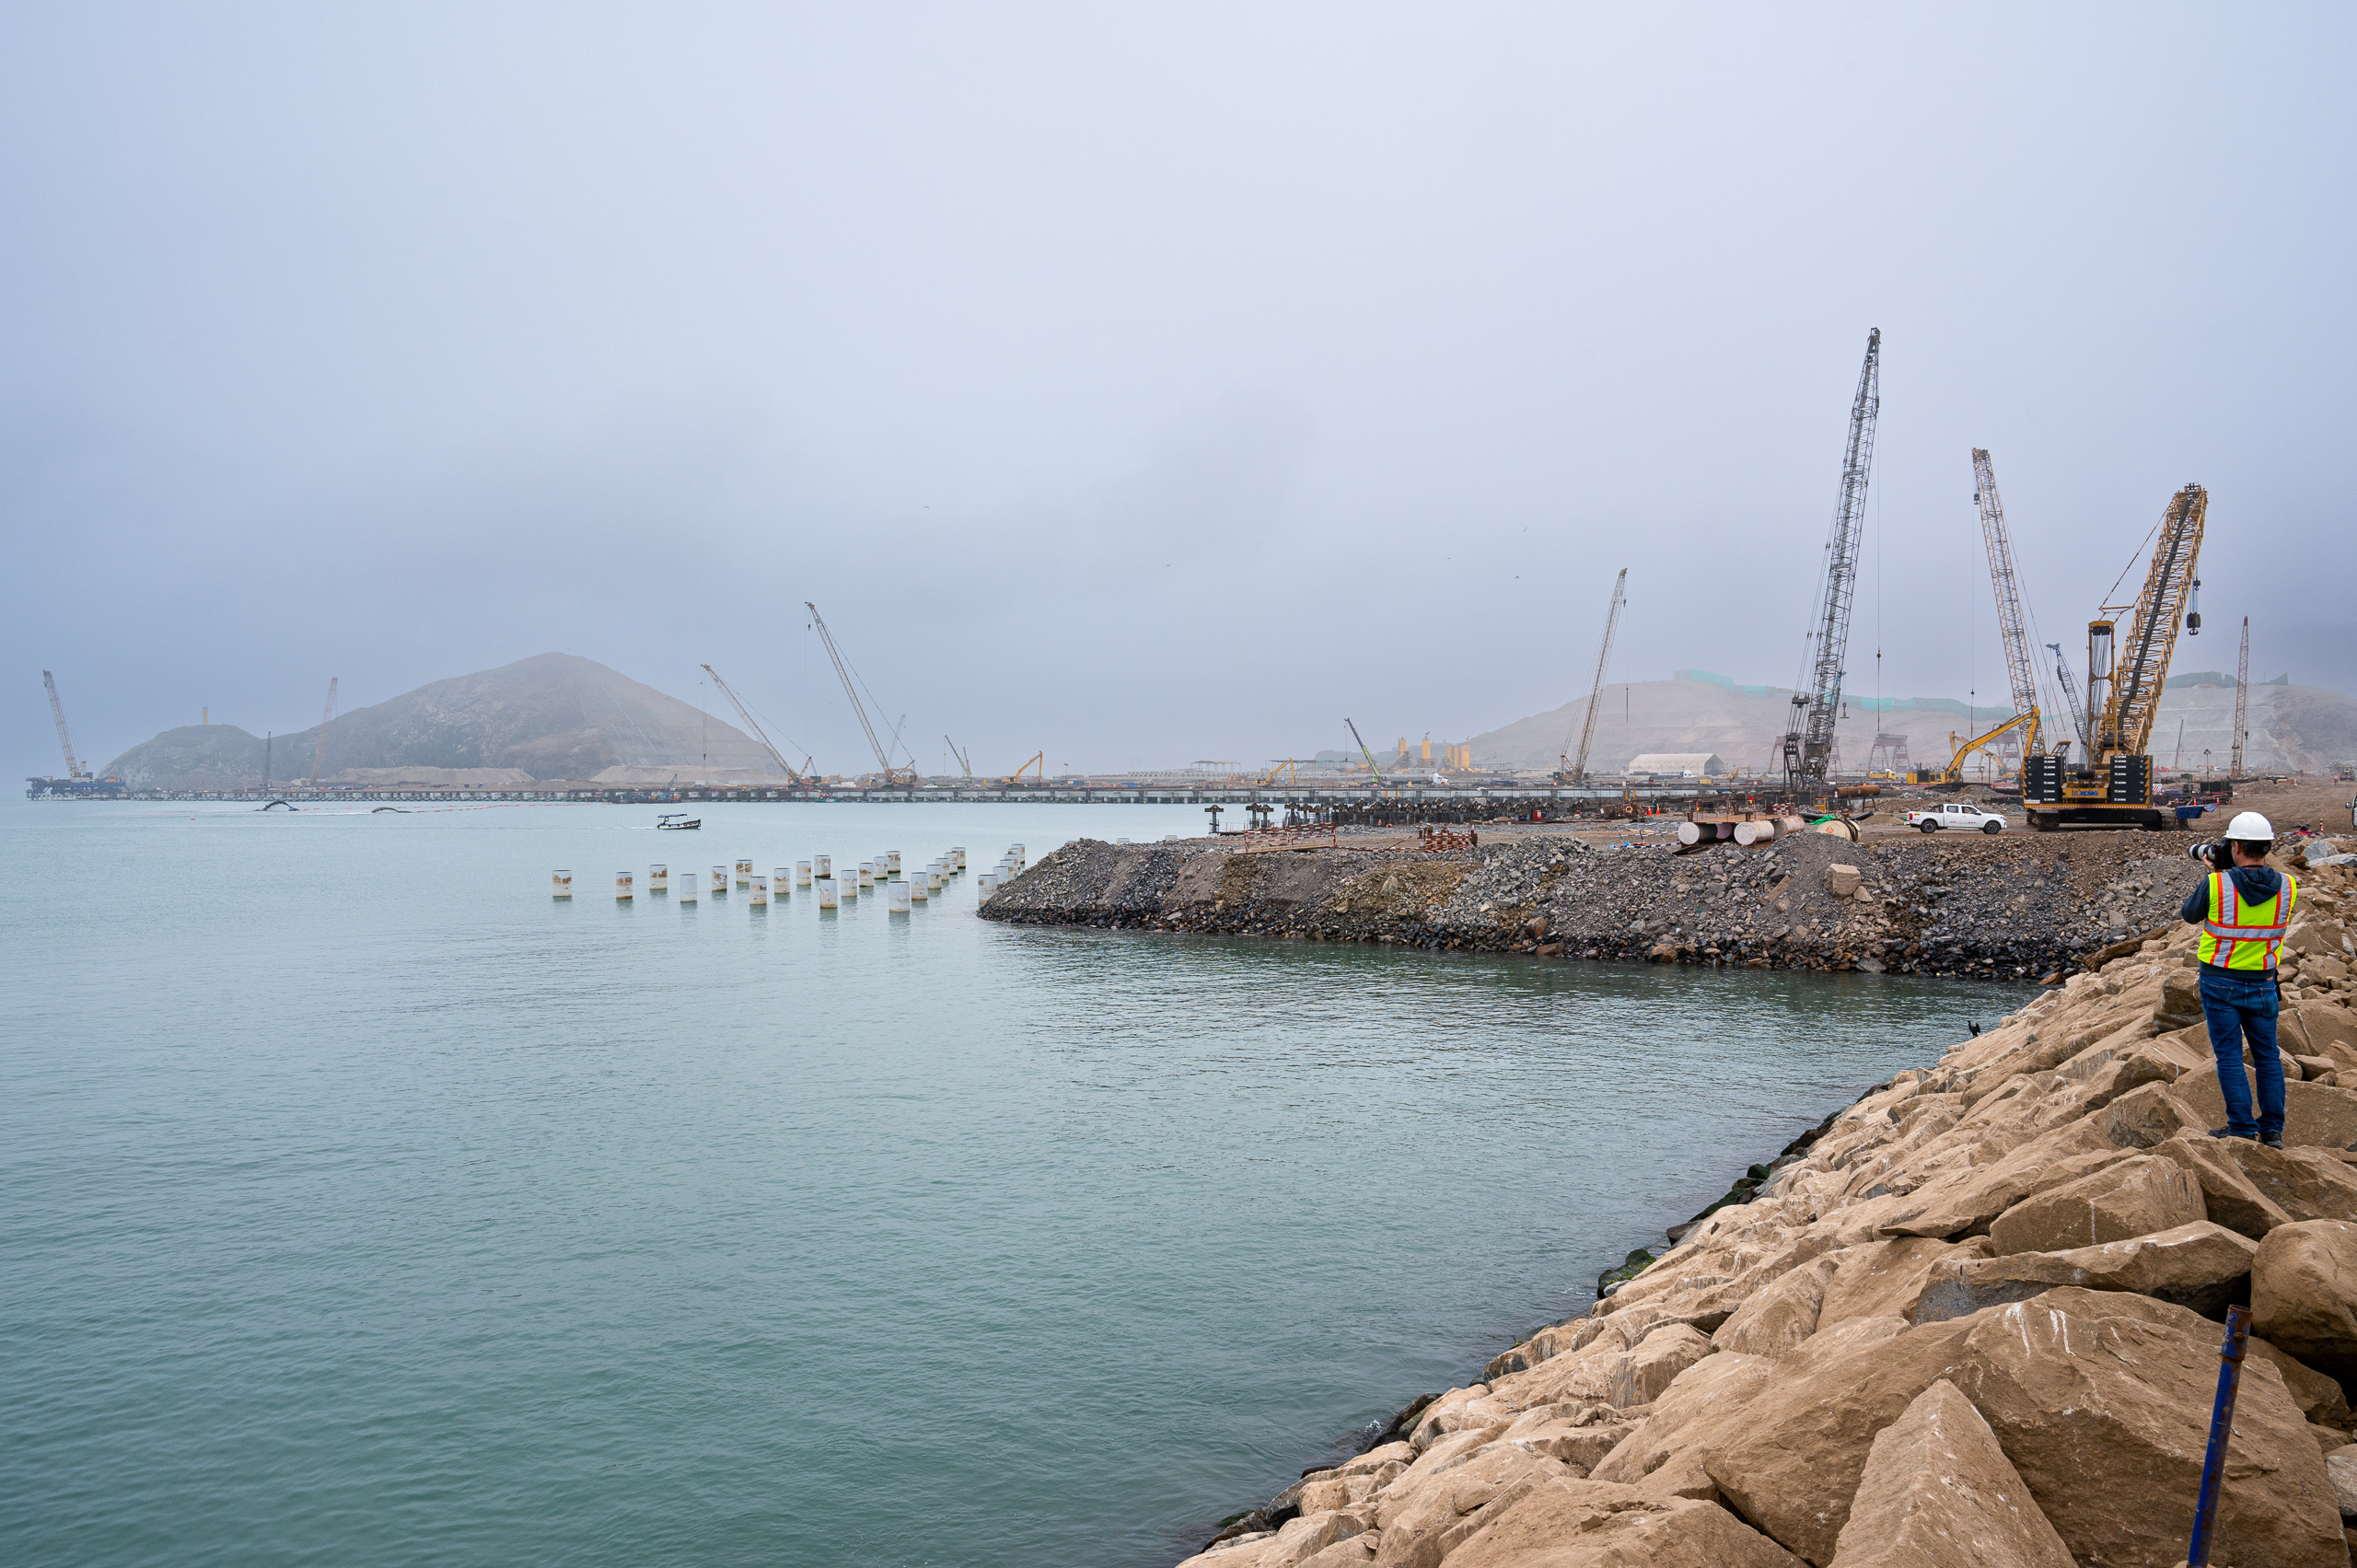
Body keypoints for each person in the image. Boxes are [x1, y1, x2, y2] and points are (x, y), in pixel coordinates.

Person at [2181, 810, 2298, 1146]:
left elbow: (2190, 915)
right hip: (2263, 982)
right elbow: (2260, 893)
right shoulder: (2289, 886)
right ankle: (2272, 1129)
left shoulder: (2218, 883)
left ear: (2235, 847)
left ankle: (2243, 1128)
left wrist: (2216, 874)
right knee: (2267, 1056)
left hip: (2220, 983)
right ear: (2267, 846)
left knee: (2230, 1056)